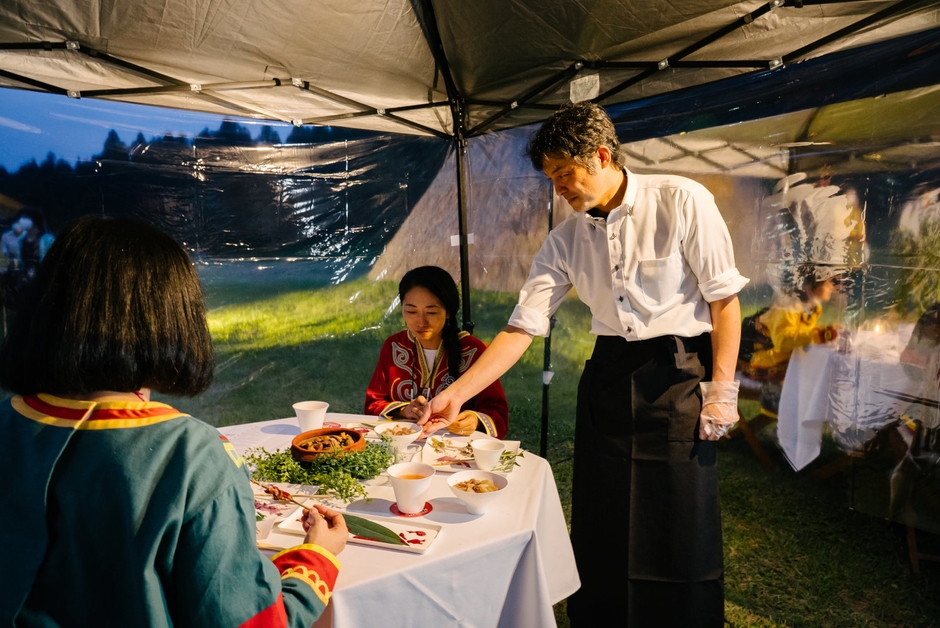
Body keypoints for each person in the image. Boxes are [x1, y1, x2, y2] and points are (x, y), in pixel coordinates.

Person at [420, 102, 748, 626]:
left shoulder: (682, 200)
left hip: (677, 375)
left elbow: (724, 301)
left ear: (599, 156)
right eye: (551, 178)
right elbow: (521, 327)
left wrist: (722, 390)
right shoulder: (565, 239)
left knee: (679, 520)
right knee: (603, 520)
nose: (558, 189)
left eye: (564, 174)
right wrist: (457, 392)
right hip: (609, 379)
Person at [0, 216, 348, 626]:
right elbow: (250, 620)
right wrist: (316, 558)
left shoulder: (9, 420)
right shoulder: (191, 456)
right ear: (168, 319)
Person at [365, 265, 509, 438]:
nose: (421, 321)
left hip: (453, 449)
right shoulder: (394, 346)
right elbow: (373, 403)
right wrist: (404, 410)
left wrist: (474, 419)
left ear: (448, 312)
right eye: (411, 311)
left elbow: (497, 413)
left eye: (431, 312)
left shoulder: (472, 350)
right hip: (403, 444)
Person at [743, 264, 842, 416]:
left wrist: (825, 334)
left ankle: (800, 418)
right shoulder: (789, 305)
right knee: (811, 378)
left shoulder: (813, 308)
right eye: (827, 282)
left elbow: (801, 334)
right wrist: (822, 335)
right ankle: (785, 419)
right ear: (810, 285)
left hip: (784, 354)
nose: (831, 286)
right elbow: (783, 341)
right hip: (761, 356)